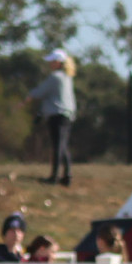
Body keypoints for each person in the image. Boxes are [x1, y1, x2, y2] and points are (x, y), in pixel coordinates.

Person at [27, 50, 76, 186]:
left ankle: (54, 177)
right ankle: (67, 176)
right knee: (63, 145)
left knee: (57, 146)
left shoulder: (55, 77)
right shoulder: (67, 77)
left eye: (51, 61)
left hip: (57, 115)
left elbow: (41, 92)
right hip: (67, 114)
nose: (49, 63)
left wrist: (29, 96)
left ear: (58, 62)